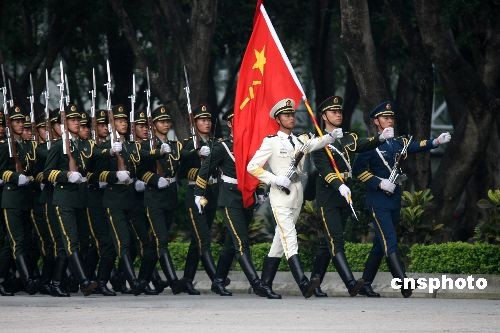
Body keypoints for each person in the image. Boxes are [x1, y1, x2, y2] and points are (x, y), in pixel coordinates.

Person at [353, 100, 451, 298]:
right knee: (390, 240)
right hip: (378, 201)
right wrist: (379, 183)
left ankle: (365, 283)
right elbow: (358, 171)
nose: (390, 121)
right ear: (376, 122)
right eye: (385, 118)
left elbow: (414, 146)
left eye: (391, 118)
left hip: (394, 199)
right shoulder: (370, 145)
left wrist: (435, 142)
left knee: (380, 245)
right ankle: (404, 283)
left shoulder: (398, 143)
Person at [247, 98, 342, 298]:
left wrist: (331, 136)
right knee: (289, 237)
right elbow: (252, 166)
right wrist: (274, 179)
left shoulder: (299, 140)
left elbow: (316, 143)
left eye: (292, 115)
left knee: (279, 241)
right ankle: (303, 283)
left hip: (297, 195)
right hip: (280, 196)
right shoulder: (271, 141)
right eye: (287, 115)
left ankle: (264, 284)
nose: (291, 118)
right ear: (278, 119)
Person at [310, 96, 394, 297]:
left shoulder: (348, 137)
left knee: (327, 242)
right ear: (324, 116)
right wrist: (339, 185)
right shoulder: (318, 141)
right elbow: (323, 168)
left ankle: (314, 281)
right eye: (333, 111)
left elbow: (363, 144)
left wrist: (380, 138)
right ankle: (350, 283)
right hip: (329, 194)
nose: (338, 114)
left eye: (339, 111)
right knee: (336, 240)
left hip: (345, 194)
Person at [194, 109, 277, 298]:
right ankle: (257, 284)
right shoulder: (222, 146)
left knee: (231, 243)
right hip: (229, 198)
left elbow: (257, 170)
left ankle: (218, 281)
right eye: (237, 121)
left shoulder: (252, 146)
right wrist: (198, 194)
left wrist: (260, 190)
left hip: (247, 197)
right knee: (241, 242)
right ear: (230, 124)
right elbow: (204, 171)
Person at [43, 104, 99, 296]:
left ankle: (56, 282)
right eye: (72, 120)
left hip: (80, 199)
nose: (76, 123)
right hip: (64, 198)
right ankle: (84, 282)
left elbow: (95, 157)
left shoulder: (83, 145)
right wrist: (66, 175)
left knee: (79, 242)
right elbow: (47, 172)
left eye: (78, 120)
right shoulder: (59, 146)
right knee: (70, 241)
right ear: (63, 124)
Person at [179, 104, 222, 295]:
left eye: (208, 120)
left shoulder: (215, 143)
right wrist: (196, 153)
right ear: (194, 122)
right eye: (202, 120)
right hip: (195, 193)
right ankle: (217, 279)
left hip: (211, 192)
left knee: (198, 241)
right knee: (203, 238)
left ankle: (187, 280)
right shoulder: (189, 144)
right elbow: (180, 169)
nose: (206, 123)